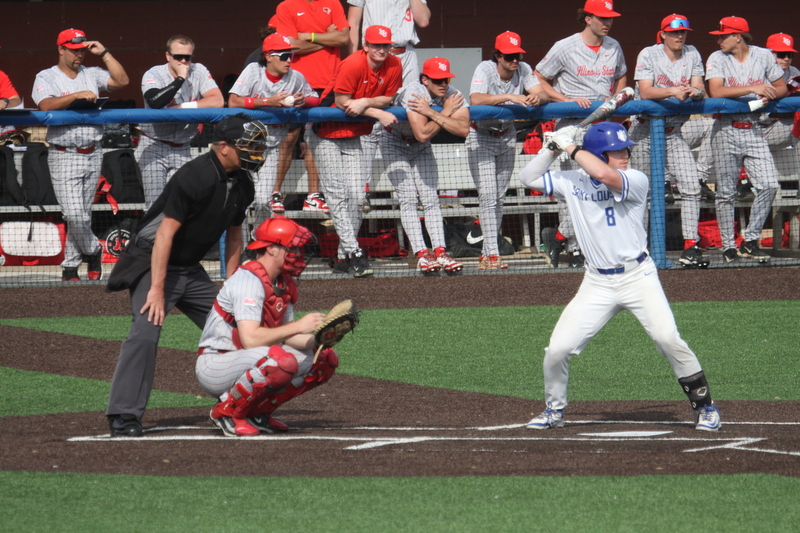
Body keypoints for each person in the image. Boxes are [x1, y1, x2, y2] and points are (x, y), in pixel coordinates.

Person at [519, 122, 721, 433]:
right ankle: (554, 410)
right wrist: (552, 147)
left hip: (638, 277)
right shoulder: (572, 181)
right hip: (597, 283)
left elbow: (604, 175)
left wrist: (571, 147)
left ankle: (705, 407)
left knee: (668, 338)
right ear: (600, 153)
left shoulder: (635, 179)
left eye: (625, 148)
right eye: (617, 150)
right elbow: (527, 177)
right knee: (557, 349)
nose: (625, 154)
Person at [105, 115, 266, 437]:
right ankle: (124, 415)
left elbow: (235, 236)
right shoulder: (194, 176)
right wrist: (156, 291)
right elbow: (164, 236)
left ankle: (239, 407)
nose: (255, 151)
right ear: (223, 147)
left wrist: (232, 286)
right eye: (248, 145)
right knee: (145, 333)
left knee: (238, 327)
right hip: (152, 264)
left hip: (190, 269)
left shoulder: (243, 183)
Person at [195, 216, 338, 437]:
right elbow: (250, 339)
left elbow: (289, 336)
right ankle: (226, 412)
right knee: (280, 361)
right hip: (216, 364)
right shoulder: (248, 281)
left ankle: (257, 412)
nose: (299, 254)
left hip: (248, 359)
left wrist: (321, 339)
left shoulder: (282, 281)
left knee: (324, 359)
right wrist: (300, 325)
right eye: (293, 248)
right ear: (271, 249)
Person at [534, 0, 627, 269]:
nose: (607, 22)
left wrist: (613, 97)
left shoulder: (614, 46)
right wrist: (565, 98)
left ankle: (561, 238)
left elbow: (621, 76)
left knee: (598, 187)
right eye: (601, 18)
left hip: (599, 127)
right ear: (587, 18)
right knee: (573, 190)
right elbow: (538, 76)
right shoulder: (565, 46)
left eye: (610, 18)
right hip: (570, 126)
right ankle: (573, 248)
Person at [32, 28, 129, 282]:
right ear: (61, 49)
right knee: (74, 214)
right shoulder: (46, 76)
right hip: (64, 153)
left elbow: (121, 82)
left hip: (93, 151)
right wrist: (75, 96)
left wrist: (105, 53)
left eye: (82, 50)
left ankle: (70, 266)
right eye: (74, 50)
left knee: (83, 215)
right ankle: (93, 250)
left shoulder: (92, 73)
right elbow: (44, 105)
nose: (79, 55)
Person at [309, 25, 403, 278]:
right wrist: (375, 111)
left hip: (354, 134)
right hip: (325, 132)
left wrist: (367, 102)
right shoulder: (352, 64)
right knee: (338, 194)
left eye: (385, 45)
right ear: (366, 46)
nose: (382, 50)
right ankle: (354, 251)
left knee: (358, 198)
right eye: (376, 45)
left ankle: (342, 256)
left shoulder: (394, 64)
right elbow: (341, 101)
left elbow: (388, 97)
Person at [628, 14, 709, 268]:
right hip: (644, 131)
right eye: (674, 32)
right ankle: (639, 249)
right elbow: (646, 91)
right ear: (662, 34)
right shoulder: (649, 54)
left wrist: (694, 92)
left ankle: (690, 246)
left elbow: (700, 87)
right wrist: (673, 91)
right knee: (643, 193)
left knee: (692, 187)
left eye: (683, 32)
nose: (680, 36)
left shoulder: (692, 52)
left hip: (674, 133)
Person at [706, 16, 787, 263]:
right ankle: (728, 246)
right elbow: (716, 91)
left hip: (753, 129)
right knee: (726, 193)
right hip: (725, 129)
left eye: (723, 36)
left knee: (770, 184)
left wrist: (769, 94)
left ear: (738, 36)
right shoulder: (717, 58)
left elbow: (781, 87)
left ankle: (749, 241)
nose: (719, 40)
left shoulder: (763, 55)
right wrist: (755, 87)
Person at [468, 31, 548, 270]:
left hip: (506, 136)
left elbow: (542, 92)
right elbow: (476, 99)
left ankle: (488, 253)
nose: (515, 60)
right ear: (498, 56)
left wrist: (536, 98)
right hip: (481, 135)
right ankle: (491, 253)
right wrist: (508, 96)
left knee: (499, 197)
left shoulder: (523, 68)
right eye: (510, 56)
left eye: (518, 55)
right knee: (488, 195)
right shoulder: (485, 68)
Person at [380, 57, 467, 274]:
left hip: (420, 146)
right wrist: (445, 113)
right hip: (394, 140)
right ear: (425, 79)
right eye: (437, 80)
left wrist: (431, 112)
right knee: (408, 196)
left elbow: (464, 129)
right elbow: (421, 133)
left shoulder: (452, 93)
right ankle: (421, 254)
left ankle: (440, 251)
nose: (443, 84)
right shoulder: (414, 91)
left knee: (430, 198)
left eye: (445, 79)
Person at [228, 33, 320, 239]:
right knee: (240, 200)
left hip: (272, 144)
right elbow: (233, 101)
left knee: (263, 200)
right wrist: (268, 102)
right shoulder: (253, 71)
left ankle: (256, 241)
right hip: (247, 143)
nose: (289, 60)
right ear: (269, 56)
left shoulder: (295, 77)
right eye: (284, 55)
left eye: (291, 56)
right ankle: (240, 245)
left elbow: (315, 98)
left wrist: (303, 100)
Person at [346, 0, 431, 212]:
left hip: (407, 53)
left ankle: (418, 189)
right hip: (375, 54)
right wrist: (353, 60)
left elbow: (423, 20)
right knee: (370, 124)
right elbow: (353, 23)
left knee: (413, 113)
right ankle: (361, 190)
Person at [273, 0, 351, 214]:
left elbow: (344, 37)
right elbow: (289, 45)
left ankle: (313, 197)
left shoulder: (333, 3)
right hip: (295, 82)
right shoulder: (286, 6)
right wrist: (327, 39)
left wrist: (308, 36)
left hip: (328, 83)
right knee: (288, 139)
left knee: (314, 141)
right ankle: (275, 192)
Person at [136, 35, 224, 209]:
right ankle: (152, 237)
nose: (183, 61)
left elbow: (217, 101)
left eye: (188, 57)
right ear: (168, 56)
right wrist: (180, 79)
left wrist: (181, 107)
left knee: (181, 205)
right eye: (178, 57)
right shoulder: (154, 73)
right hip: (154, 145)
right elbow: (155, 101)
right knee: (155, 206)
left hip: (182, 147)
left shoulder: (199, 70)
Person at [757, 33, 800, 154]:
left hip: (779, 126)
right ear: (769, 54)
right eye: (781, 55)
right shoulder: (757, 72)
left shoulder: (793, 72)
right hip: (756, 130)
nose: (786, 58)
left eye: (789, 55)